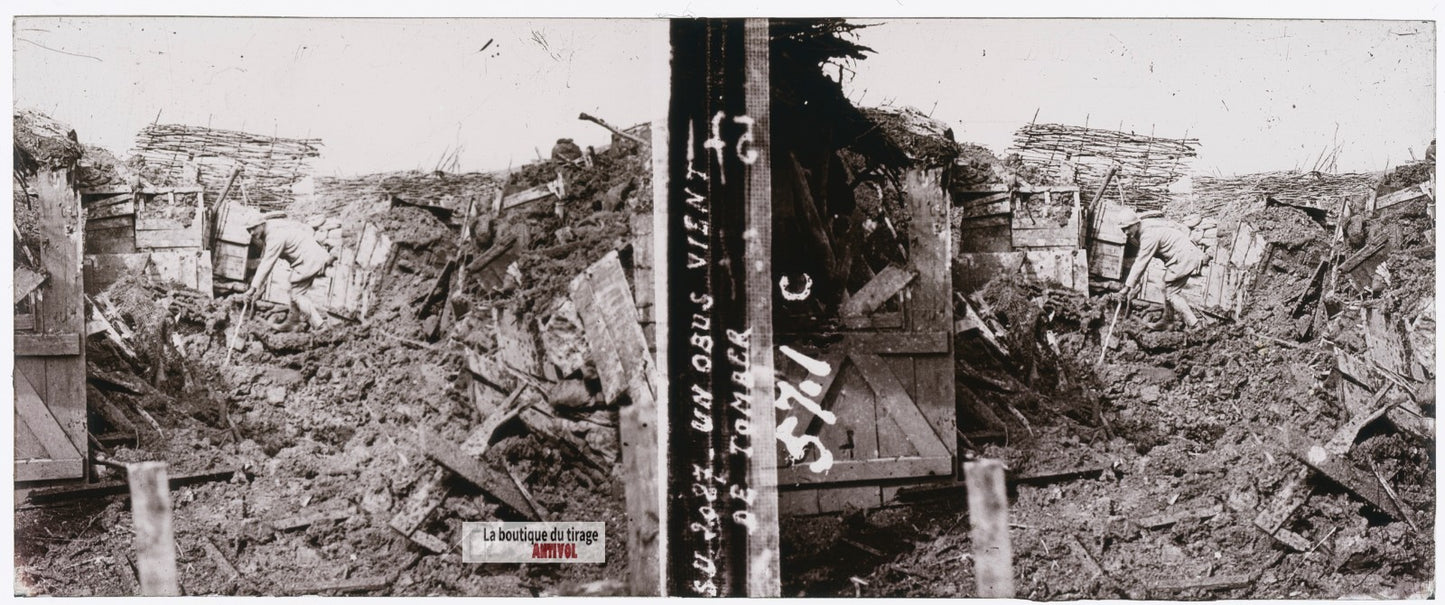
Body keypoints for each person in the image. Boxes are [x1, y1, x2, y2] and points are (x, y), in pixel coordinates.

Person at [1114, 208, 1207, 330]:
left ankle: (1195, 325)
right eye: (1123, 229)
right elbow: (1142, 262)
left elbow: (1141, 263)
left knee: (1172, 294)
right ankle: (1168, 320)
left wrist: (1125, 289)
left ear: (1136, 224)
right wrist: (1134, 282)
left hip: (1184, 256)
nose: (1125, 232)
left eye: (1128, 227)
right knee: (1165, 286)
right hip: (1180, 256)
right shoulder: (1140, 231)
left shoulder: (1148, 235)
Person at [244, 214, 332, 331]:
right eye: (248, 230)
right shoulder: (271, 228)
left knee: (297, 295)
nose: (251, 233)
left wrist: (252, 288)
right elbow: (267, 259)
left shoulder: (274, 236)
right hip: (308, 257)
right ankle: (293, 322)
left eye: (253, 228)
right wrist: (259, 286)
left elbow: (267, 262)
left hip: (309, 259)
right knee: (293, 289)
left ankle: (320, 325)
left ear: (262, 224)